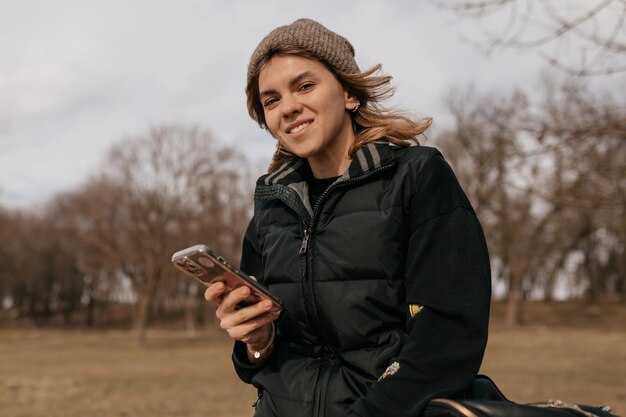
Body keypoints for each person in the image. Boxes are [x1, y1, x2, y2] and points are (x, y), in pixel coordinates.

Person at [205, 18, 491, 417]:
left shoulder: (418, 177)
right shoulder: (271, 205)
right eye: (271, 101)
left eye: (304, 86)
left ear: (349, 94)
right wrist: (256, 340)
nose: (288, 107)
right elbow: (262, 361)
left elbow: (447, 338)